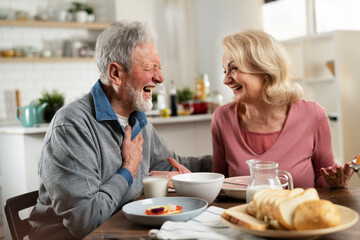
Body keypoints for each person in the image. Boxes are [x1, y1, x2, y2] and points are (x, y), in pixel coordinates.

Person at [28, 21, 211, 240]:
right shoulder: (72, 127)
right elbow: (86, 222)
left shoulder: (137, 120)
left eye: (159, 67)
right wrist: (128, 170)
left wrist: (228, 159)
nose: (160, 77)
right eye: (150, 68)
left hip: (121, 231)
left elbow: (171, 163)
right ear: (115, 73)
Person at [211, 29, 354, 189]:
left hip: (298, 213)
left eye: (234, 68)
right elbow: (219, 182)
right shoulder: (221, 118)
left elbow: (322, 176)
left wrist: (334, 182)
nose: (225, 80)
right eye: (225, 70)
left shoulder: (313, 114)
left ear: (264, 70)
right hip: (241, 213)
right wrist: (192, 181)